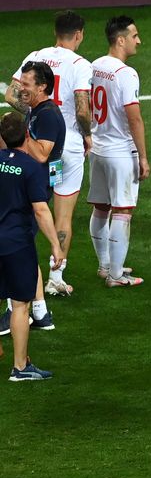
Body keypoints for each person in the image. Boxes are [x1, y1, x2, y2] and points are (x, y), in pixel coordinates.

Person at [6, 10, 91, 297]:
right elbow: (82, 108)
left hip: (37, 145)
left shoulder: (36, 56)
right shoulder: (80, 64)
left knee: (30, 208)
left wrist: (33, 114)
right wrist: (88, 135)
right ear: (78, 34)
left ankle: (22, 267)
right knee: (63, 214)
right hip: (68, 150)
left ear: (56, 32)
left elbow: (10, 95)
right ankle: (56, 277)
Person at [0, 112, 64, 382]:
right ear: (27, 134)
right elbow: (40, 210)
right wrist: (55, 246)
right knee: (20, 305)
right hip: (16, 244)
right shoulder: (30, 168)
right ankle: (20, 367)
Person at [1, 62, 64, 333]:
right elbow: (10, 97)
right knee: (23, 249)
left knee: (18, 252)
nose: (21, 88)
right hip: (29, 184)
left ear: (42, 87)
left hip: (33, 187)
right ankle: (39, 311)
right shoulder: (37, 110)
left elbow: (41, 154)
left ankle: (19, 311)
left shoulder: (48, 115)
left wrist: (15, 136)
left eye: (27, 84)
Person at [88, 16, 147, 288]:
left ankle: (105, 266)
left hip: (99, 149)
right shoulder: (126, 73)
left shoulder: (96, 65)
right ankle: (115, 275)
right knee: (122, 211)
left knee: (101, 208)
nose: (139, 41)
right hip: (121, 152)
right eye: (134, 36)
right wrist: (143, 157)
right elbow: (134, 118)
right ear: (120, 39)